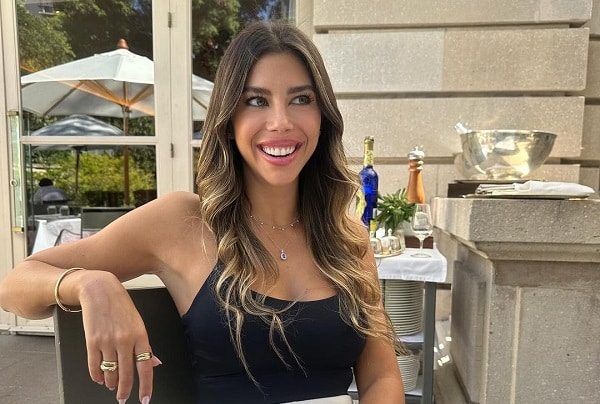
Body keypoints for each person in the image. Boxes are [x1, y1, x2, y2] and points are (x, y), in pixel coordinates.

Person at [0, 21, 406, 404]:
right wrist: (89, 283)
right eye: (256, 101)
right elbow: (15, 287)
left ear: (322, 117)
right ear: (228, 120)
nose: (280, 122)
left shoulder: (347, 238)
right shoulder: (183, 222)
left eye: (301, 99)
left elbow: (380, 377)